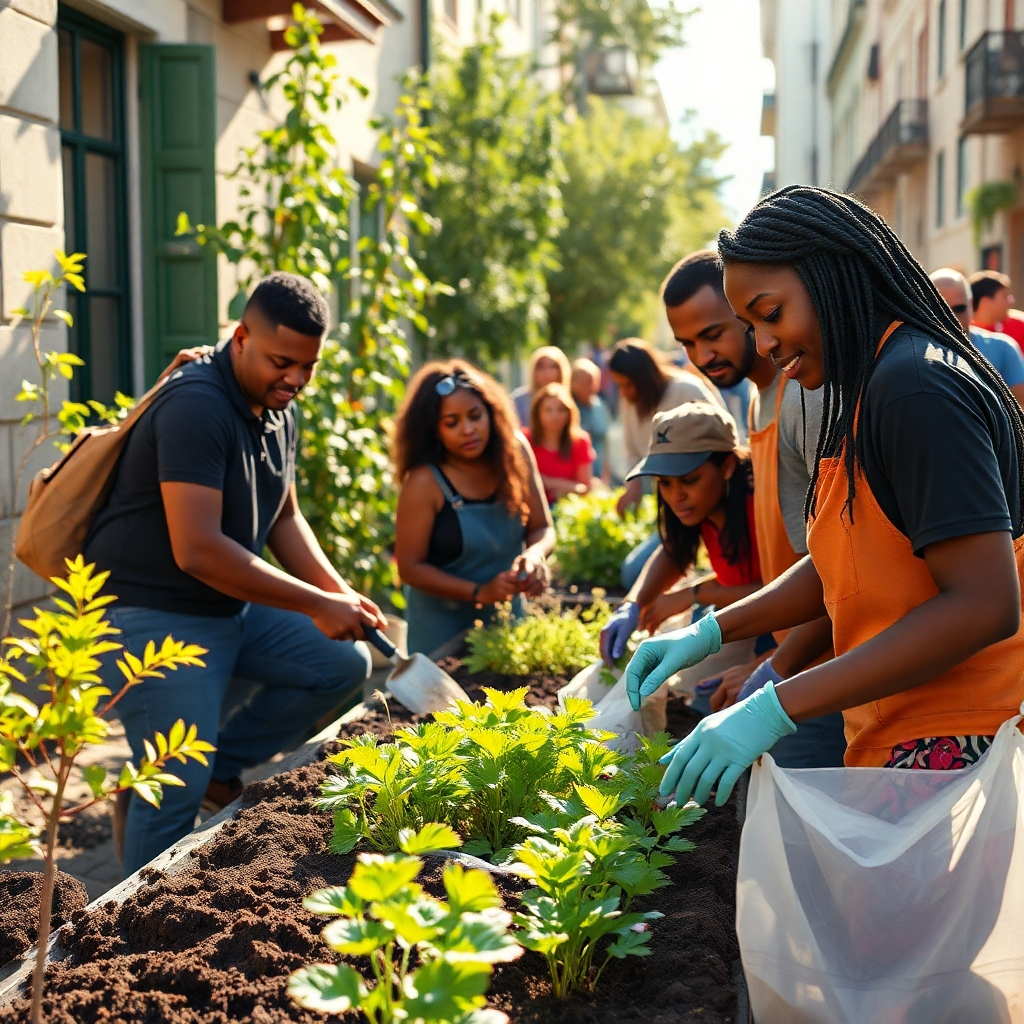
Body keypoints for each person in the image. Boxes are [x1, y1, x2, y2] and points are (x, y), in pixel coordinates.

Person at [626, 185, 1024, 809]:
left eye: (771, 313)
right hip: (904, 737)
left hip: (959, 748)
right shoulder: (867, 384)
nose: (763, 343)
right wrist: (709, 633)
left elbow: (984, 603)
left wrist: (775, 703)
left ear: (832, 275)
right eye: (751, 325)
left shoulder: (914, 387)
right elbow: (847, 555)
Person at [84, 272, 388, 874]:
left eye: (309, 366)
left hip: (224, 606)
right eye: (283, 362)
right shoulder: (196, 405)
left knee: (338, 663)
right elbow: (197, 549)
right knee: (175, 783)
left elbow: (285, 518)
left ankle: (219, 771)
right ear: (242, 336)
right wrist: (314, 604)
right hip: (149, 613)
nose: (296, 380)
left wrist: (339, 594)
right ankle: (133, 931)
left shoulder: (277, 407)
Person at [621, 249, 844, 768]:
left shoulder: (804, 397)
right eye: (687, 343)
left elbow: (843, 569)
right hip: (792, 655)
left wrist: (773, 668)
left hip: (821, 665)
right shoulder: (755, 396)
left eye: (715, 333)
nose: (703, 355)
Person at [393, 361, 555, 655]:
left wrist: (534, 555)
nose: (467, 430)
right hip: (440, 629)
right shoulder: (424, 481)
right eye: (451, 422)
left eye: (475, 416)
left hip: (506, 619)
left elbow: (542, 527)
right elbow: (409, 568)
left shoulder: (514, 453)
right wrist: (480, 592)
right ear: (434, 430)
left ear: (492, 413)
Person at [601, 403, 765, 681]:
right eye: (665, 483)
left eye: (689, 480)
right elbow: (674, 552)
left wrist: (693, 594)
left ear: (726, 466)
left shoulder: (760, 507)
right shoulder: (704, 506)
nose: (676, 496)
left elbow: (780, 592)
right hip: (743, 617)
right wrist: (632, 604)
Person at [609, 338, 720, 588]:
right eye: (619, 385)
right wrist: (633, 486)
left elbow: (721, 446)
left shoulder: (686, 390)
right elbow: (633, 451)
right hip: (676, 512)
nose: (624, 392)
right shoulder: (631, 402)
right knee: (633, 573)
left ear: (645, 377)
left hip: (708, 506)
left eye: (628, 384)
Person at [931, 267, 1024, 406]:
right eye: (940, 310)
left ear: (971, 304)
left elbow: (1021, 407)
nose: (950, 318)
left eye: (959, 309)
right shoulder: (910, 355)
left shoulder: (1003, 348)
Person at [522, 382, 595, 505]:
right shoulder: (525, 439)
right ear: (538, 413)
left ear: (570, 412)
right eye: (548, 410)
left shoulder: (580, 441)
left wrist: (548, 482)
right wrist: (565, 485)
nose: (555, 416)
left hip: (568, 509)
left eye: (561, 410)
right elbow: (522, 480)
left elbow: (585, 488)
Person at [510, 346, 572, 426]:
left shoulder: (570, 400)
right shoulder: (519, 400)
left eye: (552, 366)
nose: (546, 372)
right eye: (541, 367)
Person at [571, 357, 610, 481]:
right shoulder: (567, 408)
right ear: (573, 383)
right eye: (586, 381)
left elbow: (605, 441)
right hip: (576, 476)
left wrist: (607, 473)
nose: (591, 386)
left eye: (593, 381)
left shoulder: (600, 406)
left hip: (599, 473)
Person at [969, 269, 1024, 355]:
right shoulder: (964, 331)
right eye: (1005, 296)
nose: (1011, 301)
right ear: (986, 302)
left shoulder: (1019, 326)